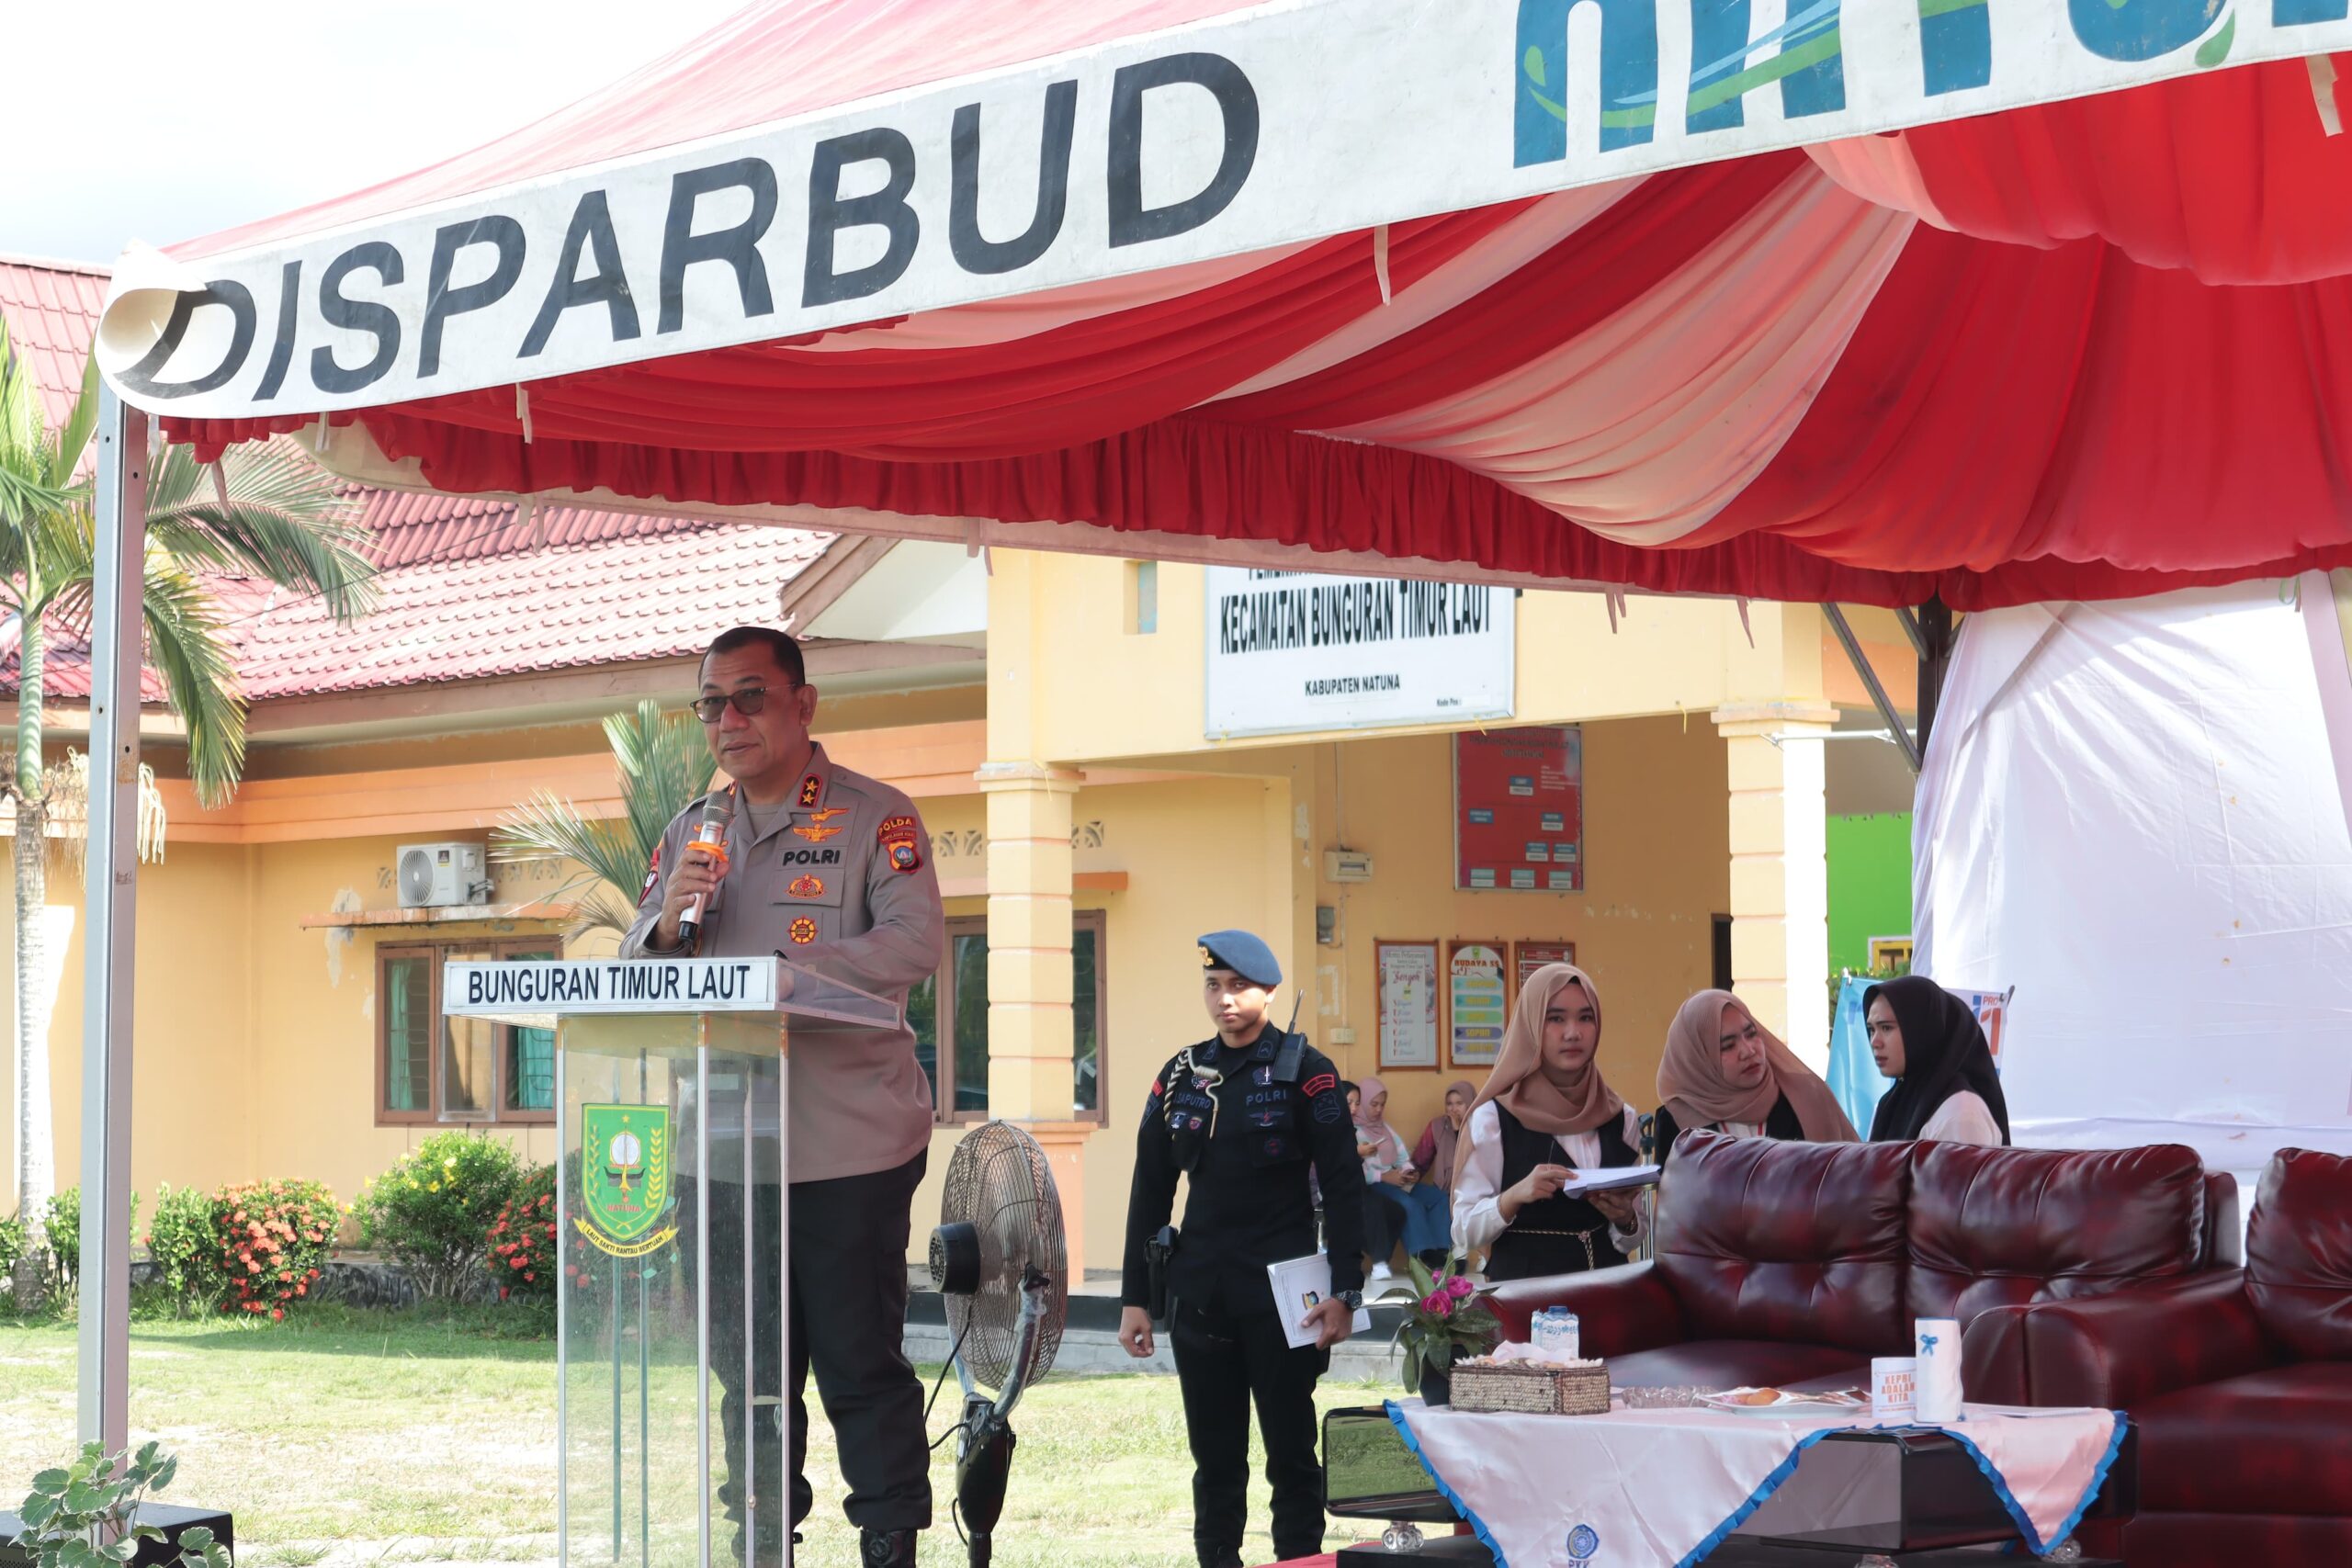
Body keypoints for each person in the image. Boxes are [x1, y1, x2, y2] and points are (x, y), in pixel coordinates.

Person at [623, 625, 941, 1568]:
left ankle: (887, 1541)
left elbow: (912, 944)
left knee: (857, 1367)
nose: (728, 719)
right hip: (720, 1149)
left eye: (749, 697)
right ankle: (762, 1543)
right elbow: (641, 961)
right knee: (747, 1378)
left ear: (803, 704)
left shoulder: (873, 820)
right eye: (711, 703)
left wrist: (783, 975)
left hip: (845, 1148)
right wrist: (670, 923)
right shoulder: (692, 830)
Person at [1118, 931, 1366, 1568]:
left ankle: (1298, 1563)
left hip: (1286, 1300)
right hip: (1201, 1293)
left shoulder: (1307, 1073)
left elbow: (1343, 1188)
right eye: (1214, 986)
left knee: (1290, 1454)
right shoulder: (1182, 1073)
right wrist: (1135, 1299)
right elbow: (1150, 1188)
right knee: (1216, 1462)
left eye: (1238, 986)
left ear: (1270, 993)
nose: (1225, 1000)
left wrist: (1344, 1291)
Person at [1451, 963, 1647, 1282]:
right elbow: (1464, 1231)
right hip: (1527, 1307)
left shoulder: (1619, 1117)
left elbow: (1633, 1237)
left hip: (1609, 1299)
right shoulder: (1494, 1119)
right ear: (1531, 1026)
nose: (1573, 1032)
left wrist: (1626, 1220)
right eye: (1555, 1018)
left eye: (1586, 1018)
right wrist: (1511, 1198)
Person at [1651, 989, 1858, 1157]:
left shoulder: (1805, 1098)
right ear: (1698, 1059)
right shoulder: (1676, 1121)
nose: (1749, 1051)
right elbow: (1673, 1201)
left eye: (1751, 1034)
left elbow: (1854, 1175)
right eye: (1728, 1045)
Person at [1864, 975, 2011, 1146]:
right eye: (1871, 1029)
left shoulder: (1961, 1113)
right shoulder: (1894, 1102)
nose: (1875, 1041)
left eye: (1886, 1028)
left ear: (1921, 1030)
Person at [1355, 1075, 1452, 1276]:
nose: (1379, 1109)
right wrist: (1384, 1177)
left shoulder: (1385, 1128)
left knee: (1440, 1198)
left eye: (1382, 1104)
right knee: (1410, 1205)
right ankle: (1422, 1257)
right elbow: (1355, 1170)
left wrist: (1409, 1171)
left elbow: (1401, 1155)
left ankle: (1442, 1253)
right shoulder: (1352, 1130)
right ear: (1362, 1103)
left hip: (1398, 1181)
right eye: (1373, 1104)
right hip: (1376, 1184)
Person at [1340, 1081, 1399, 1284]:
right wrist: (1357, 1153)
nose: (1355, 1108)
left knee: (1396, 1211)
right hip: (1334, 1188)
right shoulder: (1329, 1125)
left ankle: (1377, 1252)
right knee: (1372, 1206)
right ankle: (1379, 1261)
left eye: (1357, 1103)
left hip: (1355, 1185)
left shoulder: (1352, 1127)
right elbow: (1330, 1159)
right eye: (1349, 1102)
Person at [1409, 1079, 1477, 1198]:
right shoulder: (1438, 1126)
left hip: (1475, 1191)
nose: (1453, 1109)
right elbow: (1421, 1159)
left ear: (1470, 1102)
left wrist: (1458, 1131)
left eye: (1459, 1103)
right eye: (1449, 1104)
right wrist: (1411, 1174)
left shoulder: (1481, 1125)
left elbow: (1475, 1161)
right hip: (1444, 1192)